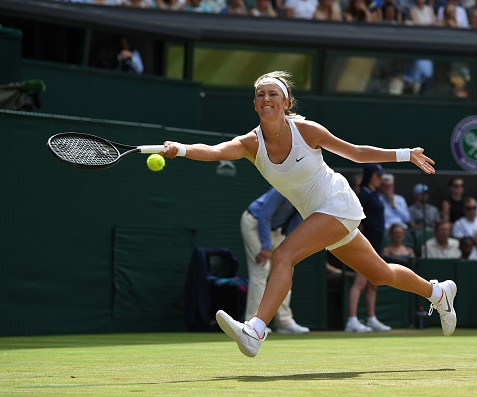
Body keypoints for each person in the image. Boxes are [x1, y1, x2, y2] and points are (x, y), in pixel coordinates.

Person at [161, 70, 456, 358]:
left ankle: (256, 330)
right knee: (380, 274)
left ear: (286, 102)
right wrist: (181, 149)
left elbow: (356, 153)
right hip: (319, 215)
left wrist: (405, 154)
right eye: (260, 94)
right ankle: (438, 293)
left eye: (273, 94)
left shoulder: (307, 130)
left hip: (337, 203)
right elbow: (213, 151)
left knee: (282, 255)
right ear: (254, 104)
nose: (266, 98)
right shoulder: (250, 144)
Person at [241, 187, 310, 334]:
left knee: (286, 270)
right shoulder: (283, 187)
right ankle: (252, 323)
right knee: (261, 271)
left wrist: (292, 248)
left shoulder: (305, 196)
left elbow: (297, 224)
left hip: (275, 230)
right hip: (254, 223)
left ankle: (284, 322)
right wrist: (265, 247)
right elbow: (264, 215)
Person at [345, 164, 392, 333]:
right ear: (371, 176)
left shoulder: (375, 194)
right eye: (378, 176)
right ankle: (351, 320)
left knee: (373, 283)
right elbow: (353, 216)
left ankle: (371, 319)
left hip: (377, 243)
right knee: (360, 282)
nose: (381, 179)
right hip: (367, 243)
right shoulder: (363, 195)